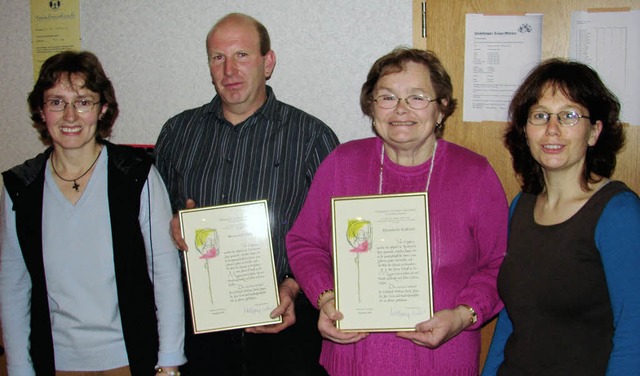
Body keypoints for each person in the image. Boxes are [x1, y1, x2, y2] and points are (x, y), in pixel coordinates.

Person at [286, 47, 508, 375]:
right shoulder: (341, 165)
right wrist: (326, 298)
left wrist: (463, 316)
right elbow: (305, 243)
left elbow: (500, 262)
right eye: (387, 97)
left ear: (442, 108)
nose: (401, 110)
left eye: (417, 97)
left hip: (442, 360)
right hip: (353, 359)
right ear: (372, 107)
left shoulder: (475, 174)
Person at [154, 13, 339, 376]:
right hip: (200, 329)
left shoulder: (312, 137)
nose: (229, 71)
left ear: (267, 62)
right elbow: (150, 224)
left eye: (242, 55)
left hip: (285, 320)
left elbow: (333, 236)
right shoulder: (178, 132)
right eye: (217, 58)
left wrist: (292, 288)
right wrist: (170, 225)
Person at [0, 51, 186, 375]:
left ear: (102, 109)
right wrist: (18, 367)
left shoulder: (137, 176)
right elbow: (14, 285)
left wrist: (169, 362)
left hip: (130, 360)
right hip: (55, 363)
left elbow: (165, 273)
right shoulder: (19, 187)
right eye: (57, 102)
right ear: (42, 111)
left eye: (83, 101)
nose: (70, 116)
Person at [481, 59, 640, 375]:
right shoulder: (520, 207)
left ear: (594, 131)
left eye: (569, 115)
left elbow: (634, 334)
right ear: (525, 130)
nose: (552, 129)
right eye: (540, 116)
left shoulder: (619, 213)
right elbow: (513, 317)